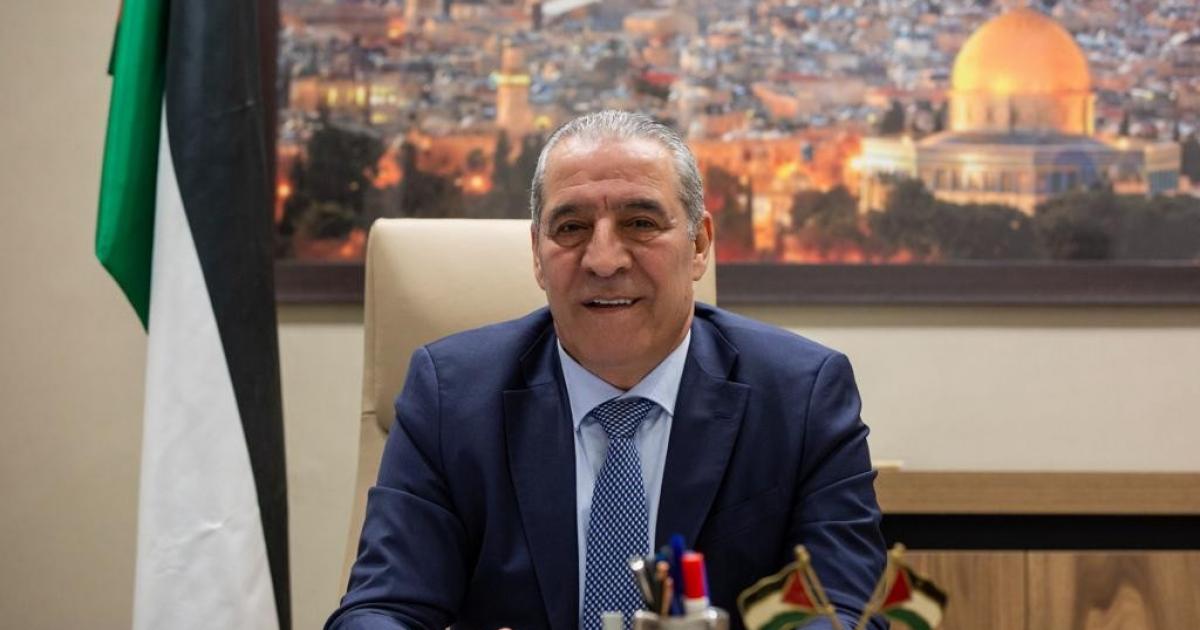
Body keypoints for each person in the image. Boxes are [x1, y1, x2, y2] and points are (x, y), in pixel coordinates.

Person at [327, 111, 886, 630]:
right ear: (537, 254)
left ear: (698, 245)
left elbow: (842, 609)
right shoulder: (450, 398)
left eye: (640, 223)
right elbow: (382, 609)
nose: (603, 260)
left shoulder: (800, 396)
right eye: (571, 228)